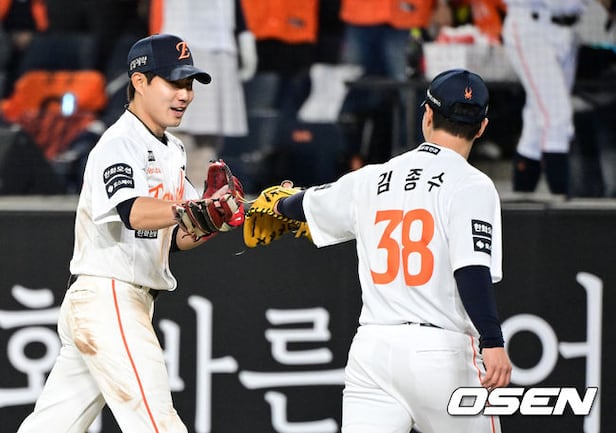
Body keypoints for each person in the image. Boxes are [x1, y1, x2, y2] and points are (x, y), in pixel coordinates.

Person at [263, 69, 512, 433]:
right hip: (441, 352)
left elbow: (303, 204)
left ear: (428, 114)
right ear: (482, 127)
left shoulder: (373, 177)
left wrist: (277, 203)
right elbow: (470, 270)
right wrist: (492, 340)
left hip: (374, 350)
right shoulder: (472, 184)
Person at [16, 33, 242, 433]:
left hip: (117, 301)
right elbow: (133, 212)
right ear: (139, 81)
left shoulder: (173, 149)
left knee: (52, 426)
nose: (185, 95)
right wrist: (193, 209)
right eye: (174, 82)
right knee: (157, 424)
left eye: (189, 84)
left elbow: (179, 236)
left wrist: (216, 219)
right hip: (109, 297)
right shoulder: (119, 142)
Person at [502, 0, 614, 195]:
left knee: (535, 128)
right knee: (557, 119)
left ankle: (522, 202)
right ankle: (561, 206)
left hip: (567, 33)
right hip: (531, 28)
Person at [150, 0, 256, 191]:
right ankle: (170, 188)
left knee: (210, 133)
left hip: (222, 43)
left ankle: (199, 190)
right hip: (184, 42)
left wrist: (243, 33)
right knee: (176, 125)